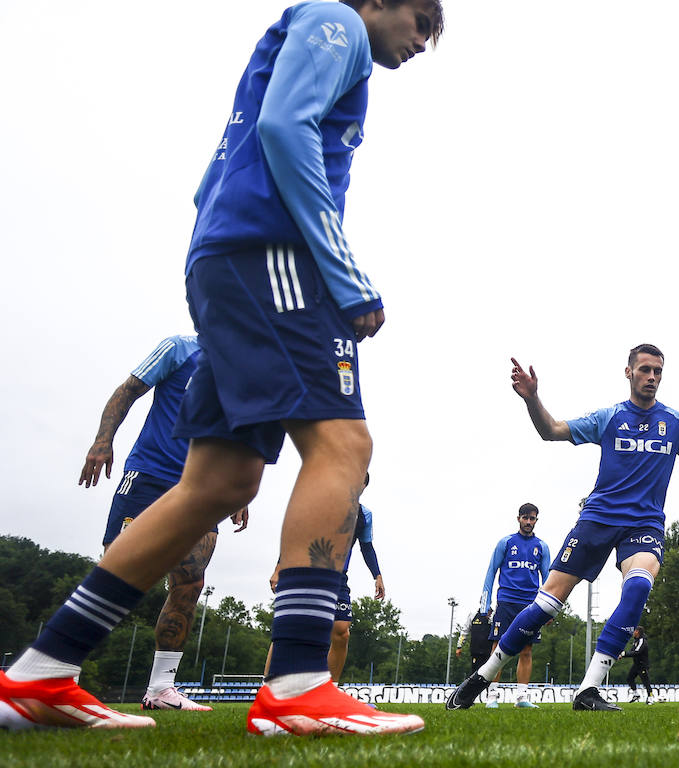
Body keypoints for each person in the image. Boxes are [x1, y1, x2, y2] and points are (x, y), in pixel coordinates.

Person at [0, 0, 445, 735]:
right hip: (273, 260)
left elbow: (213, 182)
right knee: (343, 447)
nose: (424, 42)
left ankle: (41, 673)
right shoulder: (335, 22)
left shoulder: (312, 35)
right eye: (422, 20)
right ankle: (299, 681)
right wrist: (344, 273)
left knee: (217, 482)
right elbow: (282, 128)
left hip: (225, 262)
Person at [447, 344, 679, 712]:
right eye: (645, 370)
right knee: (546, 603)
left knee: (638, 587)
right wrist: (532, 399)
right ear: (629, 372)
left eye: (657, 371)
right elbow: (552, 430)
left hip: (645, 525)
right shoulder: (609, 418)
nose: (652, 377)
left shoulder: (676, 424)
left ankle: (588, 690)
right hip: (597, 519)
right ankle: (481, 678)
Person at [78, 335, 249, 712]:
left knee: (191, 580)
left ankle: (160, 689)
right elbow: (127, 391)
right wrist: (102, 441)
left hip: (203, 489)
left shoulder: (246, 370)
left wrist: (236, 489)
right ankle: (56, 668)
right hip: (150, 476)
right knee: (117, 572)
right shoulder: (180, 348)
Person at [266, 474, 384, 683]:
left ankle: (330, 687)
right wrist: (278, 568)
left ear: (364, 486)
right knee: (291, 627)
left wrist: (377, 575)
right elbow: (297, 534)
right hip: (306, 569)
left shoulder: (364, 515)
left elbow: (367, 547)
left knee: (342, 632)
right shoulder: (321, 502)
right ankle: (268, 686)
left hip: (337, 577)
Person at [479, 503, 551, 708]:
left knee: (526, 650)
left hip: (531, 605)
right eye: (525, 518)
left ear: (537, 520)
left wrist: (549, 608)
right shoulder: (506, 542)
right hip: (506, 602)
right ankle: (492, 697)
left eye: (533, 519)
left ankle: (522, 698)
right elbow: (491, 572)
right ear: (518, 518)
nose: (529, 522)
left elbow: (547, 578)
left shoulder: (542, 547)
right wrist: (485, 604)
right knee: (497, 648)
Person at [619, 627, 653, 704]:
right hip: (636, 664)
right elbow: (632, 651)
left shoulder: (642, 641)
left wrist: (624, 654)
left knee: (646, 682)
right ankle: (636, 694)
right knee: (629, 678)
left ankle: (650, 697)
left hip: (642, 665)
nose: (633, 632)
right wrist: (622, 655)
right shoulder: (635, 641)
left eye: (634, 631)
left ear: (638, 632)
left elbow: (637, 652)